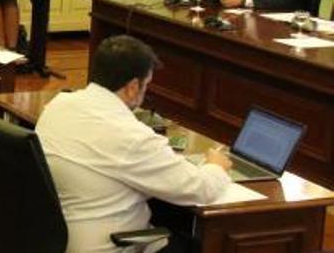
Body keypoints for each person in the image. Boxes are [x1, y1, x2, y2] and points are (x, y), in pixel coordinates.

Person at [36, 35, 232, 252]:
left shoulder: (58, 106)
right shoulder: (132, 137)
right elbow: (202, 189)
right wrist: (216, 165)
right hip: (109, 244)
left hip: (53, 237)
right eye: (146, 85)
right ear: (132, 87)